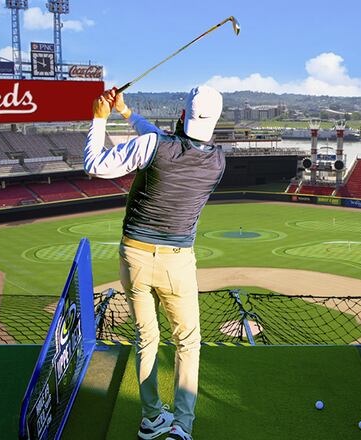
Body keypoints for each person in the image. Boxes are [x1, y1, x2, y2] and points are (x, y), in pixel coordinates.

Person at [84, 85, 226, 440]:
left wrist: (99, 119)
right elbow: (163, 141)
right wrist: (126, 112)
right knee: (187, 342)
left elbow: (94, 165)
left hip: (134, 256)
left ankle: (151, 418)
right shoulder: (217, 161)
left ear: (181, 115)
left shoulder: (154, 146)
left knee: (146, 338)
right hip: (177, 264)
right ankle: (182, 426)